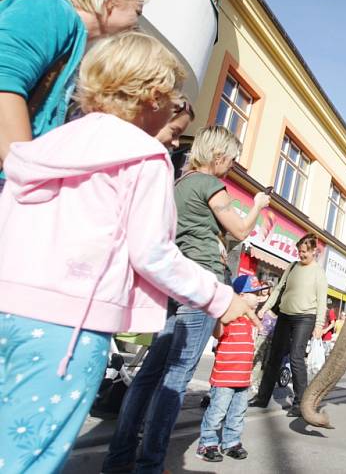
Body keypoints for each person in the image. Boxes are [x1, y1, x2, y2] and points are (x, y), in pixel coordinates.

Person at [0, 31, 258, 473]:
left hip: (10, 310)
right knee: (35, 455)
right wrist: (222, 298)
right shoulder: (145, 157)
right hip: (70, 329)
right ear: (153, 96)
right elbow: (152, 253)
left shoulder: (51, 143)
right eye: (173, 97)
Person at [103, 126, 270, 473]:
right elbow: (240, 230)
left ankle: (118, 459)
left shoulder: (178, 185)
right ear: (220, 155)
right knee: (177, 378)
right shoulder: (210, 184)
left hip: (175, 283)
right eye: (232, 158)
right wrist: (256, 206)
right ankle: (150, 464)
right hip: (202, 283)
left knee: (150, 374)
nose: (232, 165)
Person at [0, 0, 150, 192]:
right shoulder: (49, 8)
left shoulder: (74, 40)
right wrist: (27, 178)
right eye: (137, 11)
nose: (136, 25)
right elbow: (4, 83)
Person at [249, 233, 328, 416]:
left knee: (296, 358)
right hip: (284, 315)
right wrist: (265, 308)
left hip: (305, 318)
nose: (301, 255)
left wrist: (318, 326)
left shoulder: (319, 273)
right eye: (299, 251)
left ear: (314, 251)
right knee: (274, 357)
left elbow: (322, 302)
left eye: (304, 252)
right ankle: (262, 398)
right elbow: (278, 289)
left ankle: (300, 403)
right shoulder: (292, 267)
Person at [197, 275, 264, 463]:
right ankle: (207, 444)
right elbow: (217, 333)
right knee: (217, 411)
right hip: (225, 378)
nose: (258, 298)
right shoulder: (229, 317)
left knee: (238, 413)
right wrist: (221, 315)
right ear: (241, 296)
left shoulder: (251, 320)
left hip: (243, 379)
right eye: (254, 294)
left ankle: (231, 443)